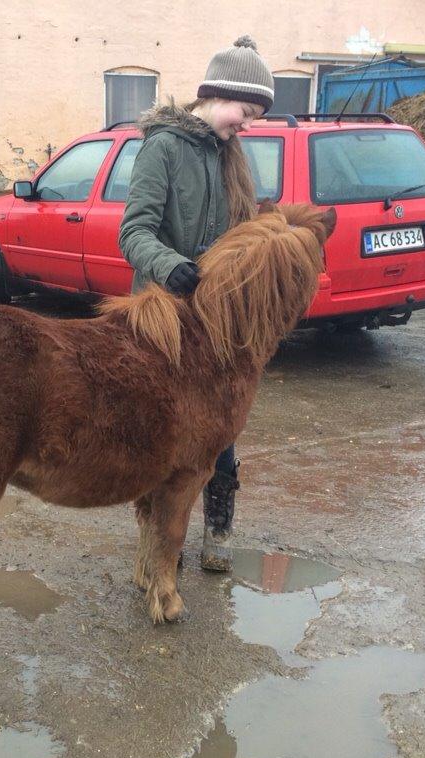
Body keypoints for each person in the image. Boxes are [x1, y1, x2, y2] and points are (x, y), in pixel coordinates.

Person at [118, 35, 274, 572]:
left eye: (254, 116)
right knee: (161, 439)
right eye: (245, 112)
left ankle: (219, 531)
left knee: (220, 433)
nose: (247, 125)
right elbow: (133, 232)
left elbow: (243, 231)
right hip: (164, 318)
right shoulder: (162, 148)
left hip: (216, 324)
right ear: (215, 95)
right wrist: (170, 265)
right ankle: (160, 545)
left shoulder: (231, 155)